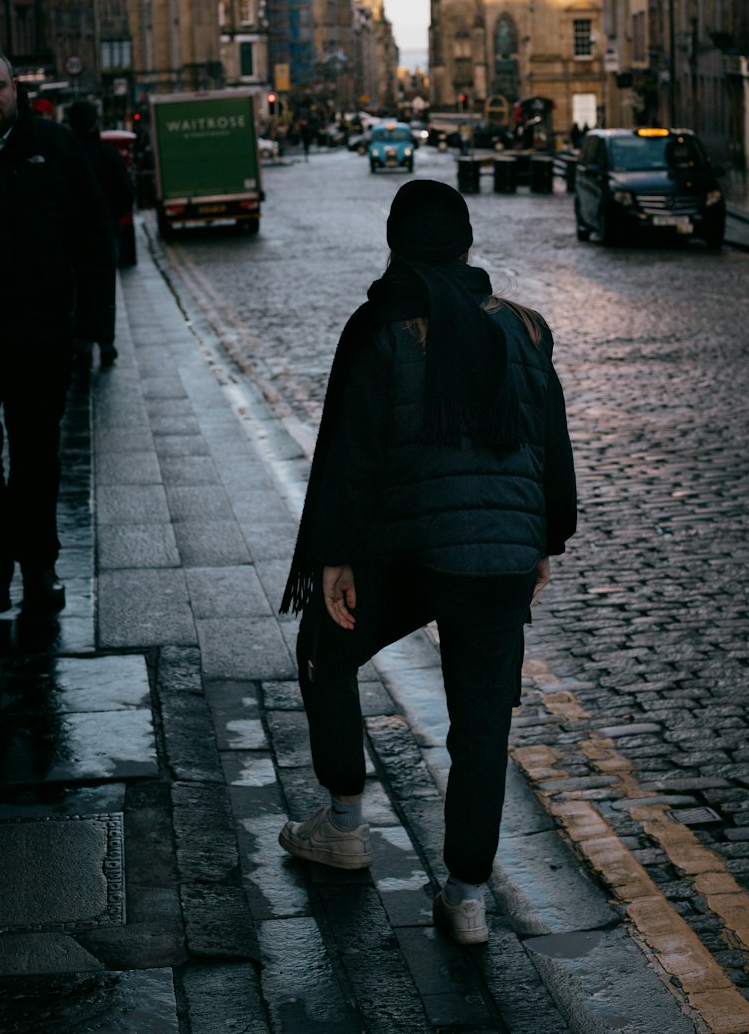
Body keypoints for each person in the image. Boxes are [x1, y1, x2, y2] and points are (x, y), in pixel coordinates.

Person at [278, 179, 576, 945]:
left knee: (325, 650)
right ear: (468, 244)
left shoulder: (381, 328)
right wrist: (541, 544)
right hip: (499, 560)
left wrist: (334, 559)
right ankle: (468, 898)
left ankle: (344, 824)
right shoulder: (528, 328)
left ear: (395, 247)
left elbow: (350, 454)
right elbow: (553, 451)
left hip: (407, 556)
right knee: (481, 729)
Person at [0, 50, 115, 623]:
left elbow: (93, 242)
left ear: (16, 89)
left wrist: (93, 334)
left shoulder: (55, 148)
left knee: (36, 459)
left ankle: (39, 569)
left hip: (41, 340)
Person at [66, 100, 135, 368]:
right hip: (103, 236)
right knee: (104, 290)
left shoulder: (66, 156)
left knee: (77, 290)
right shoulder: (108, 155)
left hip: (71, 238)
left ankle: (82, 345)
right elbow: (127, 193)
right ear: (95, 122)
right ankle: (106, 344)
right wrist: (111, 219)